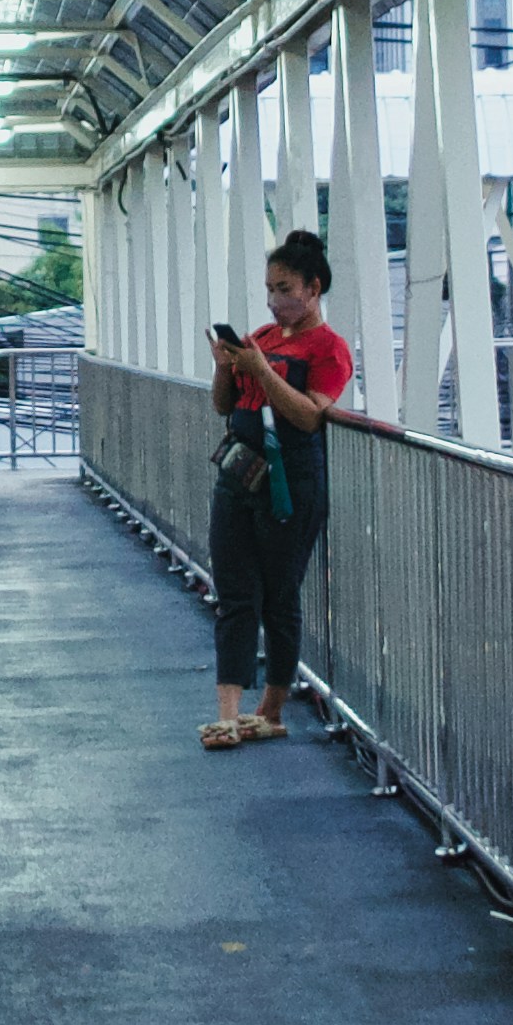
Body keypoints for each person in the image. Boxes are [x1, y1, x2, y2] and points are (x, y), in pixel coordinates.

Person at [202, 229, 356, 749]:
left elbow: (310, 415)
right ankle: (228, 710)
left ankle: (270, 706)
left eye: (285, 288)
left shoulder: (329, 348)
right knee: (234, 593)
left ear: (313, 289)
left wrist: (263, 371)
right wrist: (227, 367)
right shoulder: (261, 338)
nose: (275, 300)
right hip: (239, 474)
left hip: (292, 480)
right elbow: (224, 406)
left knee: (280, 594)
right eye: (270, 289)